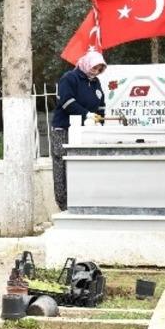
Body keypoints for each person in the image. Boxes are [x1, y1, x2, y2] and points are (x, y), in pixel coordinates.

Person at [50, 50, 108, 210]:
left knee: (82, 165)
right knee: (62, 165)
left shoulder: (95, 82)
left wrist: (100, 121)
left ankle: (82, 202)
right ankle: (64, 204)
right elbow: (67, 102)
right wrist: (87, 114)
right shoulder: (70, 78)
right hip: (64, 129)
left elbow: (101, 105)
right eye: (94, 67)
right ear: (87, 64)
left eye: (99, 69)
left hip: (86, 132)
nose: (96, 72)